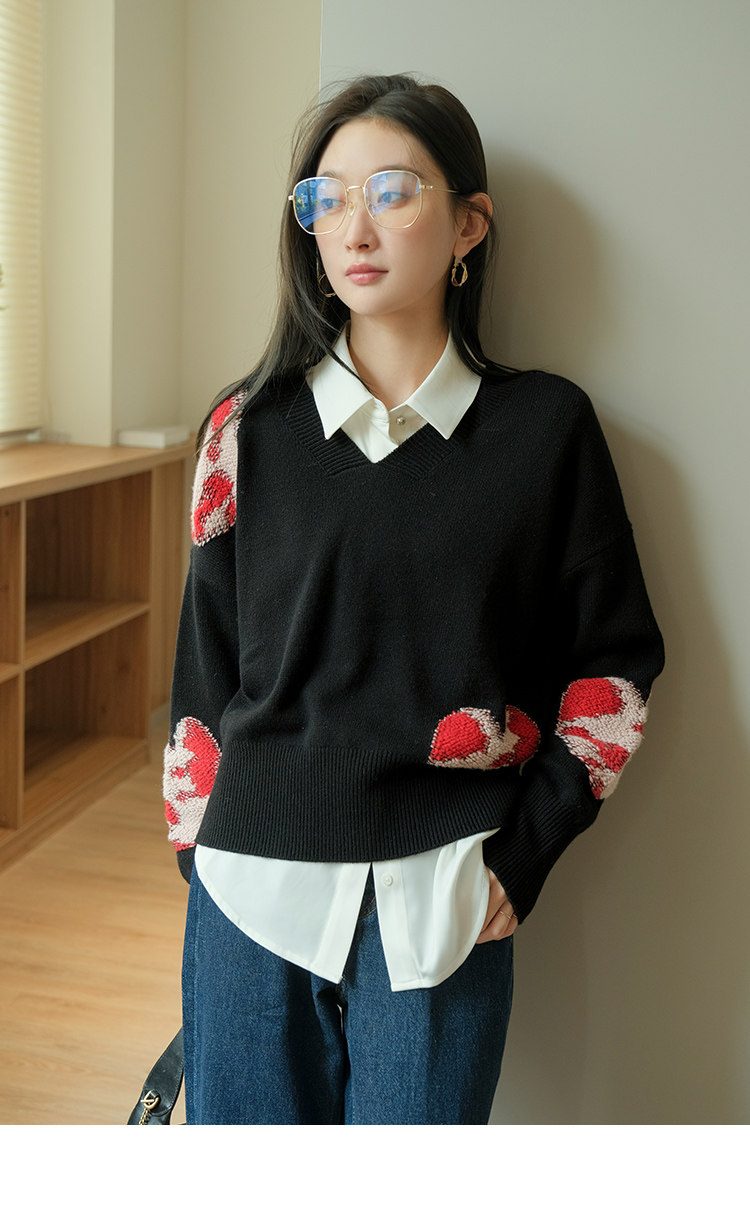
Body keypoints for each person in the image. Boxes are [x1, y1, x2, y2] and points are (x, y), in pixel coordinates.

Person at [163, 73, 664, 1126]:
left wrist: (522, 857)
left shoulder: (545, 431)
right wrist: (197, 859)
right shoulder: (243, 430)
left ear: (468, 224)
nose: (354, 227)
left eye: (392, 191)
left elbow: (614, 668)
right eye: (327, 198)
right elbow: (204, 676)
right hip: (249, 891)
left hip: (444, 897)